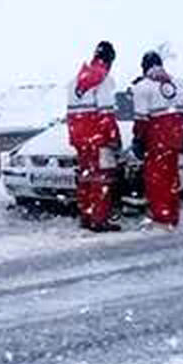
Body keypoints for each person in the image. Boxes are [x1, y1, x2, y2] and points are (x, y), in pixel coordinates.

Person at [130, 51, 183, 227]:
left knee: (156, 179)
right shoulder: (178, 84)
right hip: (175, 138)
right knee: (172, 177)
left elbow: (141, 119)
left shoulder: (143, 87)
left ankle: (161, 216)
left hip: (156, 139)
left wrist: (138, 140)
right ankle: (173, 214)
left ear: (144, 67)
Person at [66, 41, 122, 232]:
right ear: (110, 59)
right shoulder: (104, 80)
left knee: (85, 177)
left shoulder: (75, 81)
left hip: (80, 139)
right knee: (102, 179)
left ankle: (86, 216)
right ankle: (99, 219)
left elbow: (72, 115)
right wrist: (114, 138)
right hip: (98, 139)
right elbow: (106, 114)